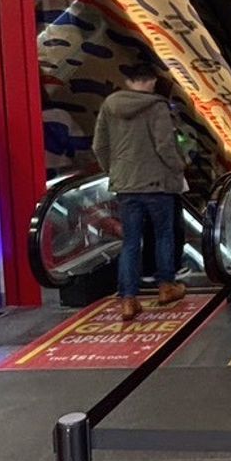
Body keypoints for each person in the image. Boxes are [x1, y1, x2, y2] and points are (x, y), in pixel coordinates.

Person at [92, 64, 187, 321]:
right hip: (157, 183)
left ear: (128, 80)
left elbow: (99, 145)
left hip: (125, 184)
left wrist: (114, 170)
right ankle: (166, 286)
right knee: (163, 234)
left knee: (131, 241)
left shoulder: (110, 105)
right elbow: (165, 146)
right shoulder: (157, 107)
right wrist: (180, 167)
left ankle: (128, 299)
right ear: (152, 81)